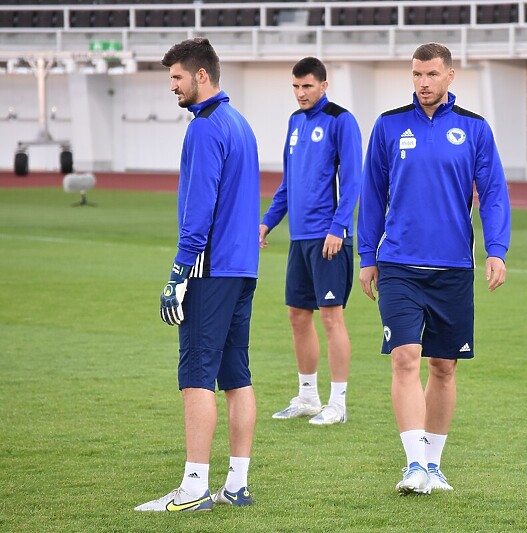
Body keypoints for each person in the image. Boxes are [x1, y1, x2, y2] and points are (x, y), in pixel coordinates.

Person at [358, 42, 511, 494]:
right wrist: (367, 256)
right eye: (416, 75)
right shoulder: (388, 126)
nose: (422, 83)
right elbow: (371, 195)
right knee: (405, 358)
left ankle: (433, 465)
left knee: (443, 367)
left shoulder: (475, 130)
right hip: (399, 264)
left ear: (450, 76)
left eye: (430, 75)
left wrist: (496, 249)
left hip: (452, 268)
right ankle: (413, 465)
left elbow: (495, 193)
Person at [136, 38, 260, 512]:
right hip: (242, 268)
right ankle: (237, 484)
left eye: (176, 78)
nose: (173, 87)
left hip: (210, 270)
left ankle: (193, 489)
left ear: (201, 76)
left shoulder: (206, 128)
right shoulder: (240, 124)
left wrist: (178, 272)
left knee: (196, 377)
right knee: (237, 376)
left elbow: (199, 209)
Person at [260, 57, 362, 425]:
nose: (301, 93)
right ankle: (307, 397)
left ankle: (338, 403)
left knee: (332, 318)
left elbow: (352, 182)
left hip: (328, 238)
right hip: (300, 237)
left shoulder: (341, 120)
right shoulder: (294, 122)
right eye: (295, 87)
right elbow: (288, 184)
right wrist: (267, 223)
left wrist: (338, 228)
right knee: (297, 315)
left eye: (307, 86)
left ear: (324, 85)